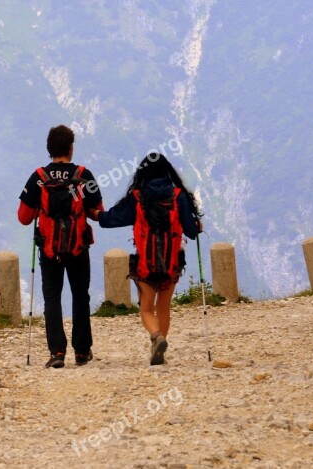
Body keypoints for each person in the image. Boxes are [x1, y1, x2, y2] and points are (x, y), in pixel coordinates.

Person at [93, 153, 201, 365]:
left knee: (146, 308)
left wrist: (95, 214)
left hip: (145, 263)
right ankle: (160, 346)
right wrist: (198, 227)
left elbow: (111, 219)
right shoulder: (178, 196)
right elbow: (191, 230)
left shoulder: (137, 197)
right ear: (166, 172)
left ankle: (156, 337)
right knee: (164, 307)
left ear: (143, 173)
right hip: (172, 263)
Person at [18, 125, 103, 368]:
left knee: (52, 298)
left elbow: (24, 217)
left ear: (49, 149)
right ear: (70, 148)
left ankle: (57, 352)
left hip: (49, 250)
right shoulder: (84, 175)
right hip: (78, 247)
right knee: (81, 297)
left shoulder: (38, 178)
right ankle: (82, 351)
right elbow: (99, 213)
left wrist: (42, 210)